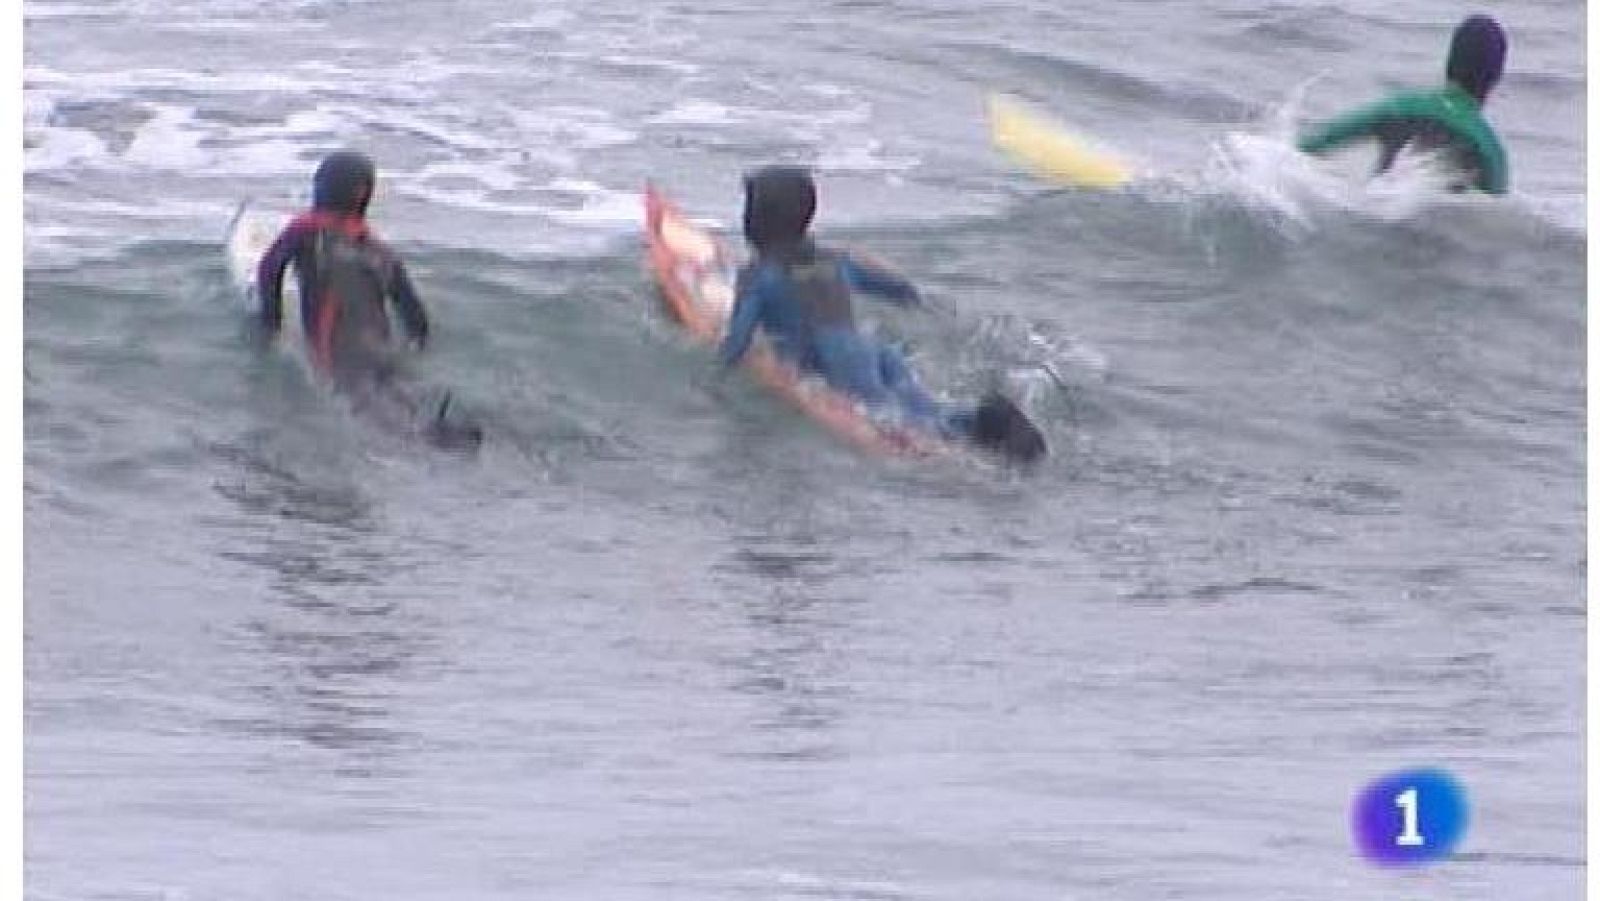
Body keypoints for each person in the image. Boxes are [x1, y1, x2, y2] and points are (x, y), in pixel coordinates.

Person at [718, 165, 1044, 462]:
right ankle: (982, 419)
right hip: (875, 352)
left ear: (755, 222)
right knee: (925, 408)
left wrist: (720, 362)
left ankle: (970, 452)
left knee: (895, 421)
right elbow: (900, 291)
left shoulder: (759, 275)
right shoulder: (835, 260)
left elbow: (737, 340)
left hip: (834, 361)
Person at [256, 151, 480, 449]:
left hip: (339, 356)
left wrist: (270, 324)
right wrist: (418, 344)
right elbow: (415, 317)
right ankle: (446, 431)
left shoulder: (306, 232)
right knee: (398, 395)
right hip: (383, 350)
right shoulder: (379, 253)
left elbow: (270, 269)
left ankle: (427, 439)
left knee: (371, 412)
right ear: (364, 195)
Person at [1297, 14, 1509, 194]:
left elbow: (1305, 148)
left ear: (1449, 63)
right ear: (1496, 77)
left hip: (1376, 218)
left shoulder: (1404, 108)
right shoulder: (1487, 147)